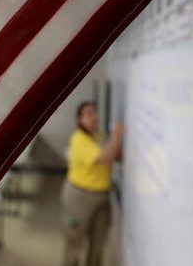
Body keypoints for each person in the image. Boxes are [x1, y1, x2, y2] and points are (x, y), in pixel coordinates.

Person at [62, 102, 123, 266]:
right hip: (79, 198)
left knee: (98, 244)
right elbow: (104, 158)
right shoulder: (78, 139)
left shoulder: (99, 136)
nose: (94, 117)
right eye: (89, 114)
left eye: (95, 113)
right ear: (79, 119)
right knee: (74, 242)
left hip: (102, 197)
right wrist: (117, 137)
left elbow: (115, 154)